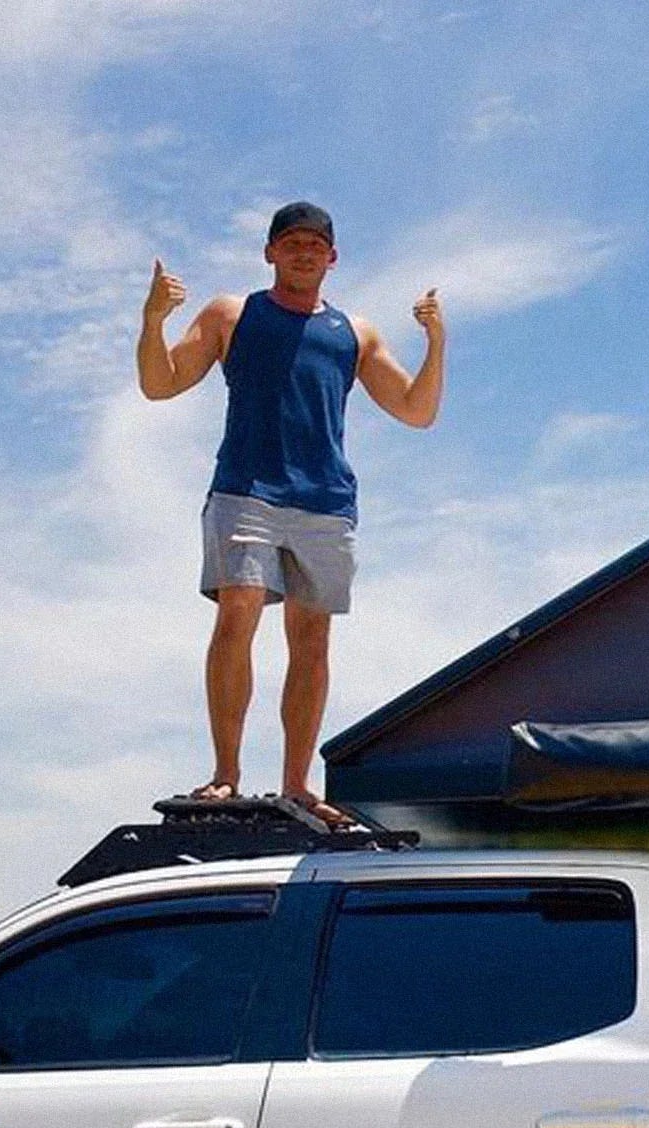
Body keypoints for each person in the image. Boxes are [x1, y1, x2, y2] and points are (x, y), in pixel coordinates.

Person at [136, 201, 444, 826]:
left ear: (332, 258)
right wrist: (152, 320)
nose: (303, 252)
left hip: (325, 503)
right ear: (270, 252)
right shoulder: (232, 313)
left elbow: (416, 409)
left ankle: (298, 784)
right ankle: (226, 775)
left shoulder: (354, 333)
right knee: (239, 609)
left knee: (311, 638)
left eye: (315, 244)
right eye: (291, 242)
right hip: (247, 488)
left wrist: (437, 341)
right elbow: (161, 383)